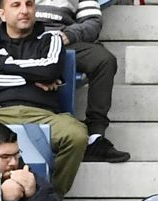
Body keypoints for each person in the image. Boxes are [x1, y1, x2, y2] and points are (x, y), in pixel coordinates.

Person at [0, 0, 90, 196]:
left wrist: (4, 67)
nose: (24, 10)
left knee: (77, 135)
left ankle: (51, 196)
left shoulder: (51, 39)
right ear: (2, 13)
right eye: (16, 5)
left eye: (29, 4)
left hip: (42, 113)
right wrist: (32, 79)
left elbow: (49, 71)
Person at [34, 0, 128, 163]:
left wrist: (69, 35)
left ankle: (95, 136)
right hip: (26, 39)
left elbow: (92, 21)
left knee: (103, 60)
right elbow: (1, 15)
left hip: (65, 39)